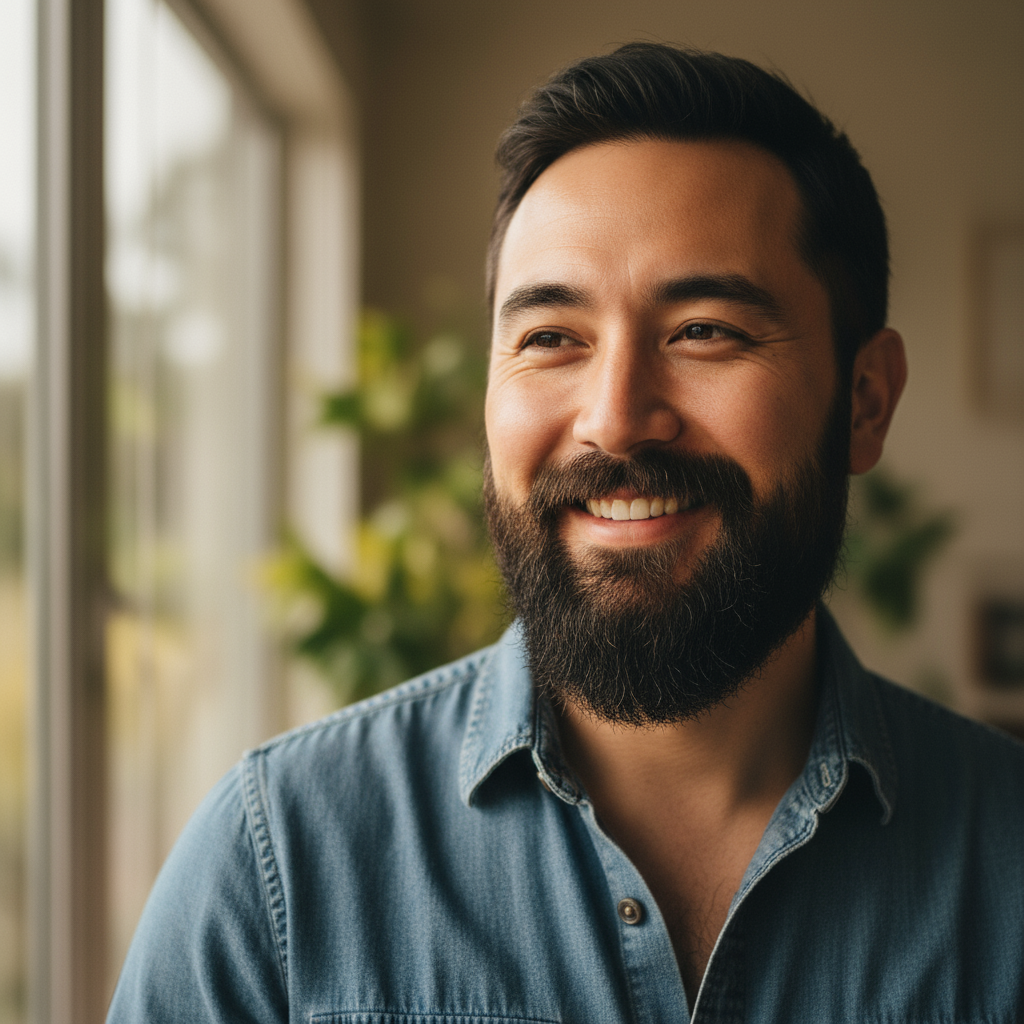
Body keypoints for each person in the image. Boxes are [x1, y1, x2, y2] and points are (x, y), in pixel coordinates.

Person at [107, 43, 1024, 1023]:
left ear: (865, 401)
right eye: (550, 338)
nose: (616, 417)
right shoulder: (274, 869)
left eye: (704, 330)